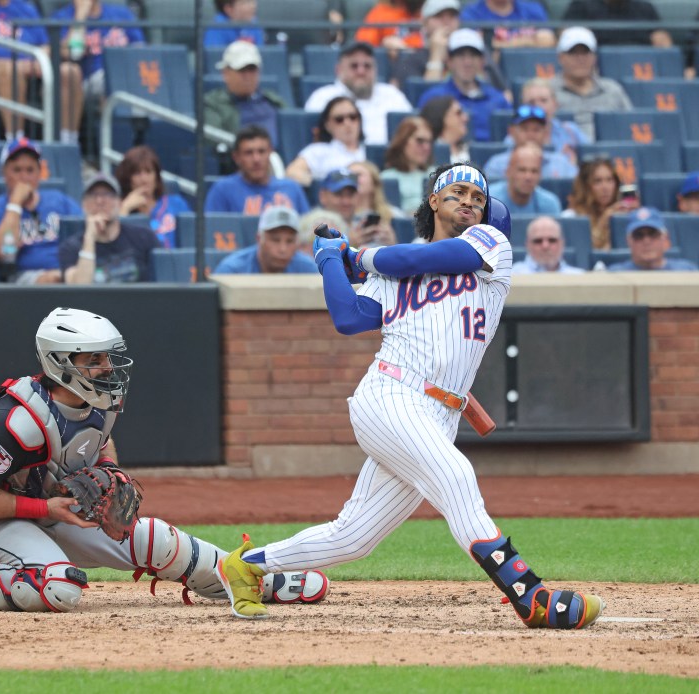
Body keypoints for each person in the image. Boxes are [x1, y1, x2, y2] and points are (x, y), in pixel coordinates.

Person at [216, 162, 605, 631]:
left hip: (440, 412)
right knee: (456, 476)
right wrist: (326, 262)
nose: (469, 202)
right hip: (391, 394)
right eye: (457, 192)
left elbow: (418, 261)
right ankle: (532, 596)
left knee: (354, 537)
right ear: (434, 201)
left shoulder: (489, 246)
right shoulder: (394, 267)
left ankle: (247, 565)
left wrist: (354, 257)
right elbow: (350, 317)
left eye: (477, 197)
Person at [0, 307, 329, 613]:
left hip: (48, 509)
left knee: (156, 538)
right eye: (94, 359)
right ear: (61, 363)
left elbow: (96, 445)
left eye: (107, 357)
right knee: (59, 588)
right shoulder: (17, 418)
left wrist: (110, 472)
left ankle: (252, 578)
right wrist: (44, 509)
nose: (107, 367)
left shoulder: (100, 400)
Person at [0, 0, 85, 144]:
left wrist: (40, 56)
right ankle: (15, 145)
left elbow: (46, 45)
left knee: (70, 72)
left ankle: (67, 146)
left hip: (31, 73)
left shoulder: (25, 8)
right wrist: (20, 65)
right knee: (11, 72)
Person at [0, 138, 82, 284]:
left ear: (39, 173)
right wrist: (15, 204)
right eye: (17, 170)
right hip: (23, 277)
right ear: (4, 172)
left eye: (30, 170)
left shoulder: (60, 200)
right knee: (57, 278)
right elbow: (3, 251)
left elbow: (84, 235)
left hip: (68, 270)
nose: (24, 177)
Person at [52, 0, 146, 135]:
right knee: (108, 83)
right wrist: (80, 15)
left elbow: (140, 50)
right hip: (88, 79)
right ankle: (111, 144)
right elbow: (74, 53)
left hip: (125, 75)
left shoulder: (122, 14)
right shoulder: (62, 17)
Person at [304, 42, 412, 147]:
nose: (361, 71)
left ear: (376, 70)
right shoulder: (322, 97)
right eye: (354, 66)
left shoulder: (392, 95)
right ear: (338, 70)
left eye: (367, 66)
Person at [59, 173, 159, 283]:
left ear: (120, 203)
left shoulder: (144, 237)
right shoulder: (70, 247)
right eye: (93, 195)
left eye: (108, 195)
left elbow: (165, 280)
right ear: (84, 205)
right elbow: (78, 292)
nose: (100, 201)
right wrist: (89, 237)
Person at [388, 0, 507, 92]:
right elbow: (424, 100)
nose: (446, 22)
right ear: (424, 23)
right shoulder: (412, 58)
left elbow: (503, 92)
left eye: (452, 16)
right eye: (439, 16)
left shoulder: (476, 51)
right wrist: (436, 56)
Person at [416, 29, 512, 142]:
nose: (467, 62)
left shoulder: (498, 99)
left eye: (473, 56)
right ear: (449, 61)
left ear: (482, 61)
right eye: (461, 56)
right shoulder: (434, 97)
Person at [548, 27, 632, 142]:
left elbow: (629, 125)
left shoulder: (612, 90)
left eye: (585, 52)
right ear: (560, 57)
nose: (580, 59)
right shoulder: (547, 91)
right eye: (573, 53)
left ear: (594, 57)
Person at [204, 126, 309, 215]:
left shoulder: (292, 188)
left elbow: (308, 232)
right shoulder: (222, 190)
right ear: (236, 157)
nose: (256, 159)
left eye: (261, 151)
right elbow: (212, 231)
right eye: (249, 153)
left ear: (270, 153)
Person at [203, 41, 287, 148]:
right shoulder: (212, 104)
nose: (247, 76)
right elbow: (213, 141)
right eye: (241, 70)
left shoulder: (274, 101)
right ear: (225, 73)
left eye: (252, 69)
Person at [113, 145, 190, 249]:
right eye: (137, 173)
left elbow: (192, 240)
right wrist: (125, 208)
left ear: (156, 176)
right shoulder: (118, 208)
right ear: (128, 179)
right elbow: (113, 246)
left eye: (148, 172)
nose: (144, 179)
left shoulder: (176, 203)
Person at [213, 205, 319, 274]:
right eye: (275, 240)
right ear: (259, 239)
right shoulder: (232, 270)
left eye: (290, 241)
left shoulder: (308, 270)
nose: (283, 249)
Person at [285, 97, 366, 187]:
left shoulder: (370, 152)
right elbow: (292, 172)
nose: (347, 123)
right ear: (327, 125)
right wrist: (322, 183)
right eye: (339, 119)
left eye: (353, 117)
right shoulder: (318, 151)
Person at [483, 105, 577, 182]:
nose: (531, 134)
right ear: (511, 132)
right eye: (524, 129)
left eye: (536, 130)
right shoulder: (496, 164)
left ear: (545, 133)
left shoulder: (561, 162)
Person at [563, 157, 638, 250]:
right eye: (598, 181)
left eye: (609, 180)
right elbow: (583, 254)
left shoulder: (624, 214)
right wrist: (603, 222)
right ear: (586, 186)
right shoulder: (571, 217)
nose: (605, 187)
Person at [517, 78, 590, 161]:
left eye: (543, 100)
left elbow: (591, 158)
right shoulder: (515, 136)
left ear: (555, 104)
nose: (538, 107)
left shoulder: (571, 131)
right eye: (531, 102)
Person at [607, 208, 699, 272]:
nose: (646, 241)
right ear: (629, 241)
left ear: (665, 239)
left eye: (653, 234)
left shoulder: (687, 271)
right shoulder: (615, 274)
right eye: (638, 235)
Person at [381, 116, 434, 214]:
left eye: (429, 142)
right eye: (420, 141)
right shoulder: (386, 178)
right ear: (403, 141)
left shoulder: (438, 174)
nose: (426, 147)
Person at [563, 0, 672, 48]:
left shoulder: (645, 8)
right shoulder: (581, 6)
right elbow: (566, 37)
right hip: (595, 70)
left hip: (639, 67)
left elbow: (662, 40)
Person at [490, 144, 563, 216]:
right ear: (508, 172)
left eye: (534, 171)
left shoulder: (550, 205)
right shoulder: (489, 200)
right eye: (522, 170)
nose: (528, 177)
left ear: (540, 175)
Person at [460, 0, 555, 49]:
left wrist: (500, 44)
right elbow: (479, 46)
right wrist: (529, 41)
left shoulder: (533, 9)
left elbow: (548, 40)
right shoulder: (471, 13)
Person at [511, 215, 585, 274]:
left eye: (552, 240)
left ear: (562, 243)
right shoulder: (512, 276)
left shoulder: (579, 277)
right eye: (538, 241)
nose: (545, 246)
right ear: (527, 245)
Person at [355, 0, 424, 49]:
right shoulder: (381, 12)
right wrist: (384, 45)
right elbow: (364, 46)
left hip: (427, 59)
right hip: (395, 63)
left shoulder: (429, 11)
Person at [419, 95, 469, 163]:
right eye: (458, 113)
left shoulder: (470, 151)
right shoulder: (425, 152)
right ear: (442, 117)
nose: (465, 118)